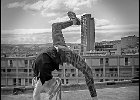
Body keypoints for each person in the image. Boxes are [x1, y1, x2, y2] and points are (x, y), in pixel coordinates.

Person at [32, 11, 98, 100]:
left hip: (62, 51)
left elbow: (36, 95)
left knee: (87, 71)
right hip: (59, 48)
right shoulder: (37, 67)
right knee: (55, 26)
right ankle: (73, 21)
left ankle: (73, 21)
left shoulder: (41, 72)